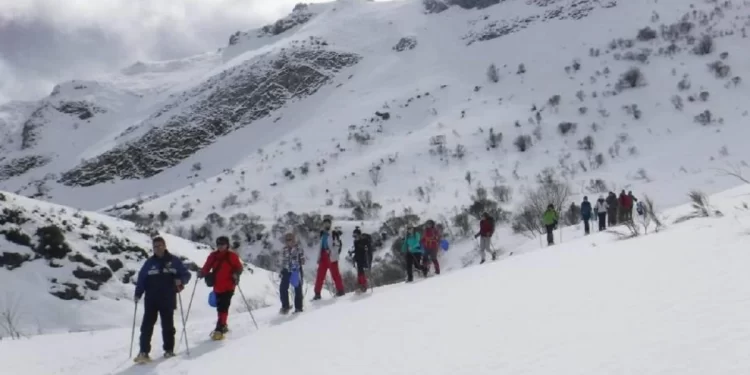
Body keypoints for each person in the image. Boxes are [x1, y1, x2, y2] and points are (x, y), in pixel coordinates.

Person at [133, 236, 191, 363]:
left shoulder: (174, 261)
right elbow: (142, 279)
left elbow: (186, 274)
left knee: (168, 326)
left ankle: (169, 350)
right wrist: (138, 293)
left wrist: (180, 280)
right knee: (146, 326)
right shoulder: (149, 263)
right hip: (151, 299)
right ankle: (144, 352)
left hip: (168, 298)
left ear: (165, 246)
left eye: (160, 245)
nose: (157, 248)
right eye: (155, 246)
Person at [199, 236, 243, 340]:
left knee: (223, 307)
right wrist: (201, 273)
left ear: (227, 245)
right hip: (217, 287)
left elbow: (239, 267)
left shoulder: (232, 256)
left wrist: (236, 274)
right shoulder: (213, 256)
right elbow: (207, 267)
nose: (220, 246)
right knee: (221, 308)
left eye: (222, 244)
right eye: (219, 244)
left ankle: (219, 329)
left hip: (229, 286)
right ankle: (223, 325)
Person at [312, 219, 345, 300]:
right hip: (323, 256)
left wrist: (331, 251)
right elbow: (320, 247)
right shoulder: (322, 234)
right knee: (320, 275)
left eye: (328, 223)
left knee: (335, 274)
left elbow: (337, 246)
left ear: (330, 224)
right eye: (325, 224)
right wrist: (318, 257)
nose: (326, 225)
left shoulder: (333, 234)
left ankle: (340, 290)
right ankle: (317, 293)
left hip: (331, 256)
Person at [279, 232, 305, 314]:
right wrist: (282, 270)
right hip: (286, 270)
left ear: (293, 240)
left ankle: (298, 307)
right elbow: (283, 261)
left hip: (295, 270)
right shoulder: (284, 249)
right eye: (287, 240)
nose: (288, 241)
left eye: (290, 239)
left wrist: (299, 263)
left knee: (297, 289)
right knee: (283, 288)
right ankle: (285, 306)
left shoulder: (298, 248)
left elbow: (303, 260)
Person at [350, 227, 374, 293]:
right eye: (354, 236)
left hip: (364, 258)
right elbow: (356, 250)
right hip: (359, 258)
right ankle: (360, 285)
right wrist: (354, 257)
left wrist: (366, 250)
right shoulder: (356, 242)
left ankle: (363, 285)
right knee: (359, 272)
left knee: (361, 272)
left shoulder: (365, 240)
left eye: (356, 236)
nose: (355, 238)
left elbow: (368, 250)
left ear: (359, 235)